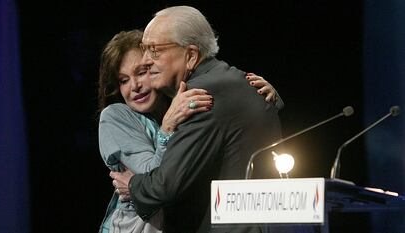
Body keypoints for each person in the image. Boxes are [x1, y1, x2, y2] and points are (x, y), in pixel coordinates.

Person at [110, 5, 284, 233]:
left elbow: (165, 187)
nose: (145, 60)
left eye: (155, 50)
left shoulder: (200, 96)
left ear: (191, 56)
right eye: (144, 49)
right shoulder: (237, 81)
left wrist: (132, 185)